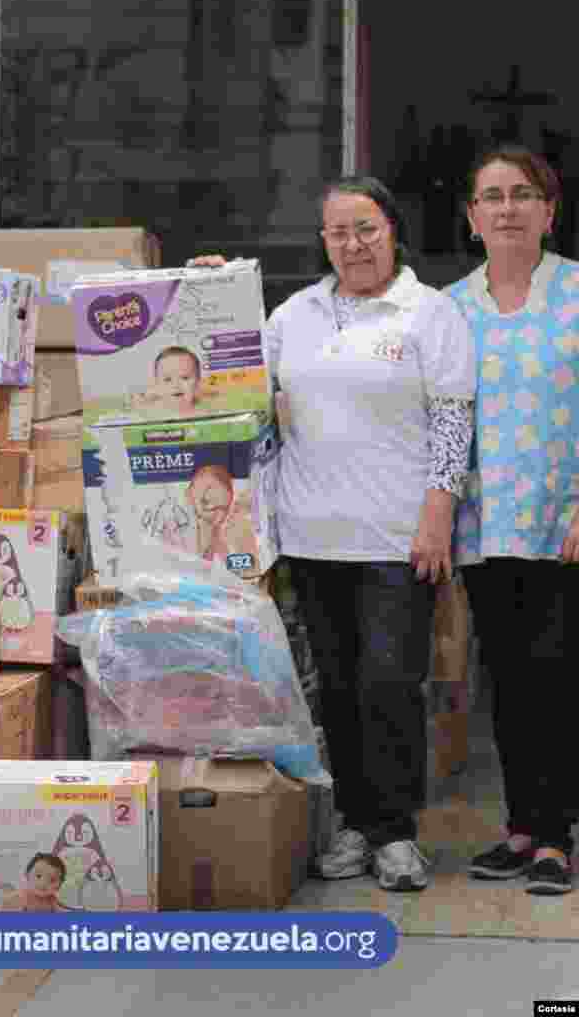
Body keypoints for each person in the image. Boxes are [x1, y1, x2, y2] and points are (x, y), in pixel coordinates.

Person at [192, 176, 477, 891]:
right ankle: (354, 822)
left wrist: (438, 512)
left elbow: (452, 420)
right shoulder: (297, 315)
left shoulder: (429, 313)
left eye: (366, 229)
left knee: (388, 684)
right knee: (340, 690)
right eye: (338, 233)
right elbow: (234, 384)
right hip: (310, 537)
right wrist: (203, 295)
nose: (353, 245)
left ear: (392, 230)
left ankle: (396, 832)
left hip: (394, 538)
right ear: (323, 241)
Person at [445, 145, 579, 896]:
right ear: (471, 217)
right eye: (492, 196)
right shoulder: (452, 308)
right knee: (510, 678)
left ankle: (558, 835)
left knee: (561, 673)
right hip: (484, 523)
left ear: (549, 210)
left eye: (523, 194)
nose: (507, 208)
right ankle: (523, 826)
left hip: (564, 522)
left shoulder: (577, 294)